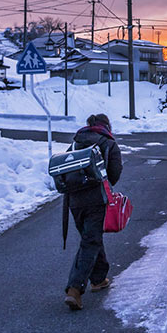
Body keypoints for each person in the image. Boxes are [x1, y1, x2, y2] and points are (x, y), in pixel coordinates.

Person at [64, 113, 122, 311]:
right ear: (106, 125)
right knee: (90, 241)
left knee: (91, 238)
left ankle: (98, 279)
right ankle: (74, 289)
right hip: (96, 199)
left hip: (73, 201)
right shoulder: (108, 143)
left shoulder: (76, 142)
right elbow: (114, 174)